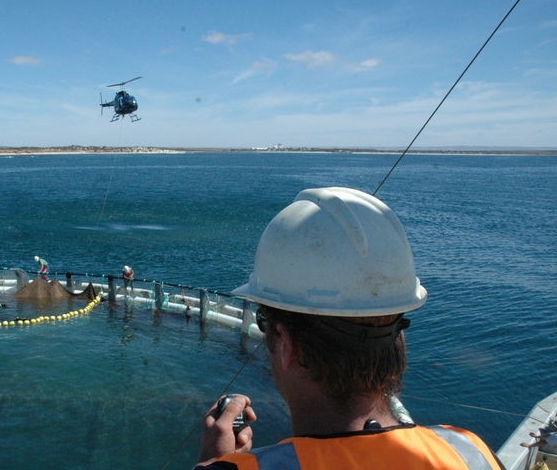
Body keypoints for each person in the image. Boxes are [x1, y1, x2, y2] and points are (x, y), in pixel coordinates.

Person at [195, 187, 502, 470]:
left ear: (287, 345)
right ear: (397, 338)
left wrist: (215, 462)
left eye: (265, 323)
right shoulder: (468, 450)